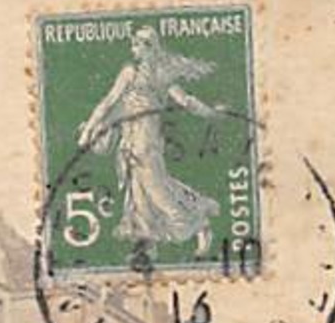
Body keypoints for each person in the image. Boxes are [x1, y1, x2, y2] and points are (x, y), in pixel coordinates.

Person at [76, 26, 226, 259]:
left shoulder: (158, 75)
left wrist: (211, 114)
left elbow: (185, 100)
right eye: (133, 44)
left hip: (147, 143)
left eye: (137, 44)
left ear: (150, 48)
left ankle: (198, 225)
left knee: (159, 193)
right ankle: (146, 247)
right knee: (139, 197)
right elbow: (109, 102)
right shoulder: (131, 73)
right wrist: (88, 130)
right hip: (130, 142)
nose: (133, 48)